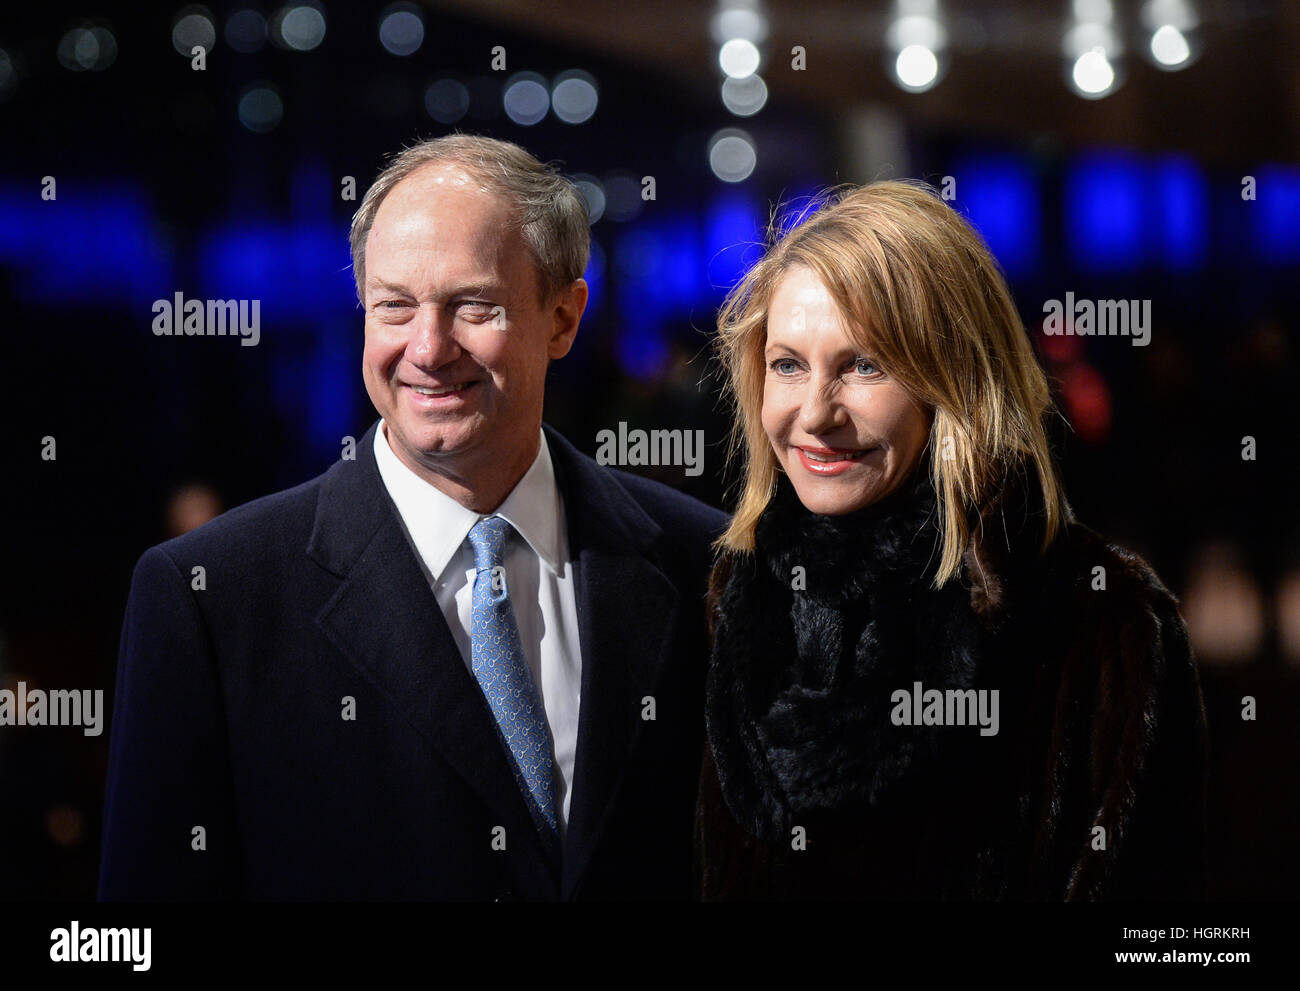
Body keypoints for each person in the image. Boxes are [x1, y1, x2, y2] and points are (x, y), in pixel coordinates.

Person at [99, 135, 726, 900]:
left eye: (474, 305)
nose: (427, 348)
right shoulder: (210, 597)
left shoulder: (702, 564)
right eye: (394, 305)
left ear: (563, 318)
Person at [695, 180, 1208, 899]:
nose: (813, 413)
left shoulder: (1101, 620)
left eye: (862, 365)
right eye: (788, 364)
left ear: (957, 378)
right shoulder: (742, 599)